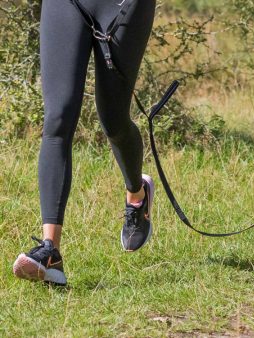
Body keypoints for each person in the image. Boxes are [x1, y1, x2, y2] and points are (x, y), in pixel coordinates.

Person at [13, 0, 157, 286]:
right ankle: (50, 253)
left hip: (124, 5)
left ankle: (137, 195)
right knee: (58, 117)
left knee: (114, 120)